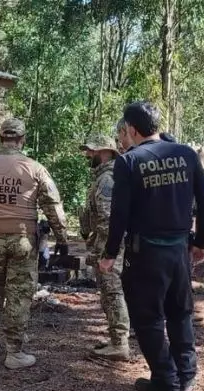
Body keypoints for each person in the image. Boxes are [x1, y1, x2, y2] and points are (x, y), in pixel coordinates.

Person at [99, 101, 204, 391]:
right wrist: (200, 242)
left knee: (148, 317)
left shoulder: (129, 162)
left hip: (146, 253)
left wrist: (110, 253)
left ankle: (165, 380)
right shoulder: (186, 154)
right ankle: (186, 375)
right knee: (180, 312)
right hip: (179, 250)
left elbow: (119, 214)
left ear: (132, 130)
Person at [0, 118, 69, 369]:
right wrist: (62, 238)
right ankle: (14, 352)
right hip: (23, 240)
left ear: (0, 139)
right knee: (19, 295)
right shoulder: (34, 168)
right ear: (22, 140)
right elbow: (52, 206)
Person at [79, 135, 130, 360]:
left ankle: (120, 343)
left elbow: (109, 220)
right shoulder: (103, 177)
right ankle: (115, 339)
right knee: (109, 293)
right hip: (104, 244)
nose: (87, 155)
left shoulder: (107, 179)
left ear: (104, 152)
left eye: (91, 151)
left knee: (112, 292)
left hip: (110, 246)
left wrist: (107, 252)